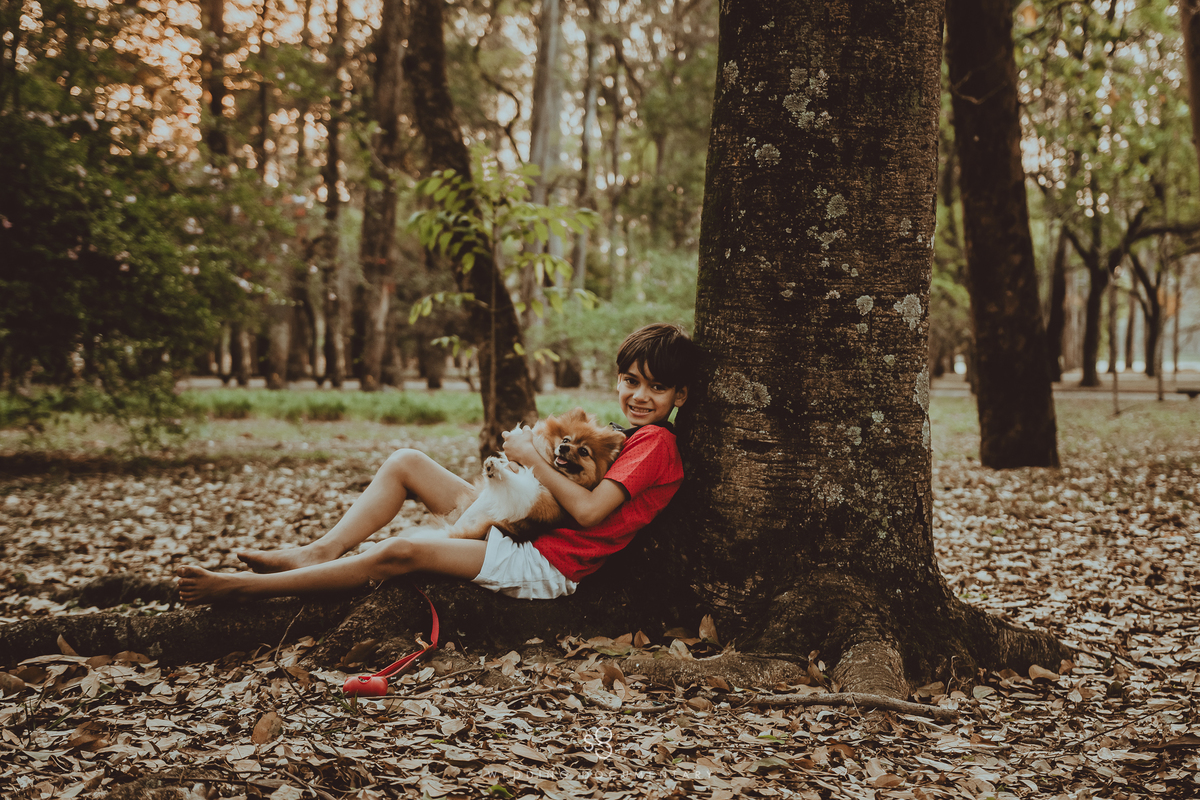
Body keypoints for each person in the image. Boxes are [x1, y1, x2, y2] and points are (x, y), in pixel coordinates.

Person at [175, 323, 696, 604]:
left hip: (545, 561)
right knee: (407, 461)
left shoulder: (656, 443)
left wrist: (530, 459)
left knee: (399, 551)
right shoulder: (630, 435)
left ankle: (243, 590)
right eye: (631, 381)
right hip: (520, 526)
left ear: (681, 395)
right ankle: (317, 552)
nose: (640, 395)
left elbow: (587, 512)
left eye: (657, 387)